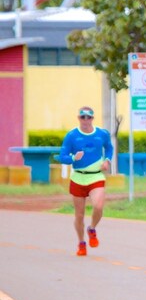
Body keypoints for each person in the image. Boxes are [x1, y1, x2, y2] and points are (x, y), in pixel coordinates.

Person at [59, 106, 115, 256]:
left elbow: (109, 148)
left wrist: (108, 160)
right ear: (78, 118)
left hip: (96, 176)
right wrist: (72, 158)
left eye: (88, 117)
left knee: (98, 206)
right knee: (79, 215)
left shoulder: (102, 134)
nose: (85, 120)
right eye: (82, 117)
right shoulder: (72, 136)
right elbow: (62, 156)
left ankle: (92, 228)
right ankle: (81, 243)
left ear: (92, 118)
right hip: (78, 177)